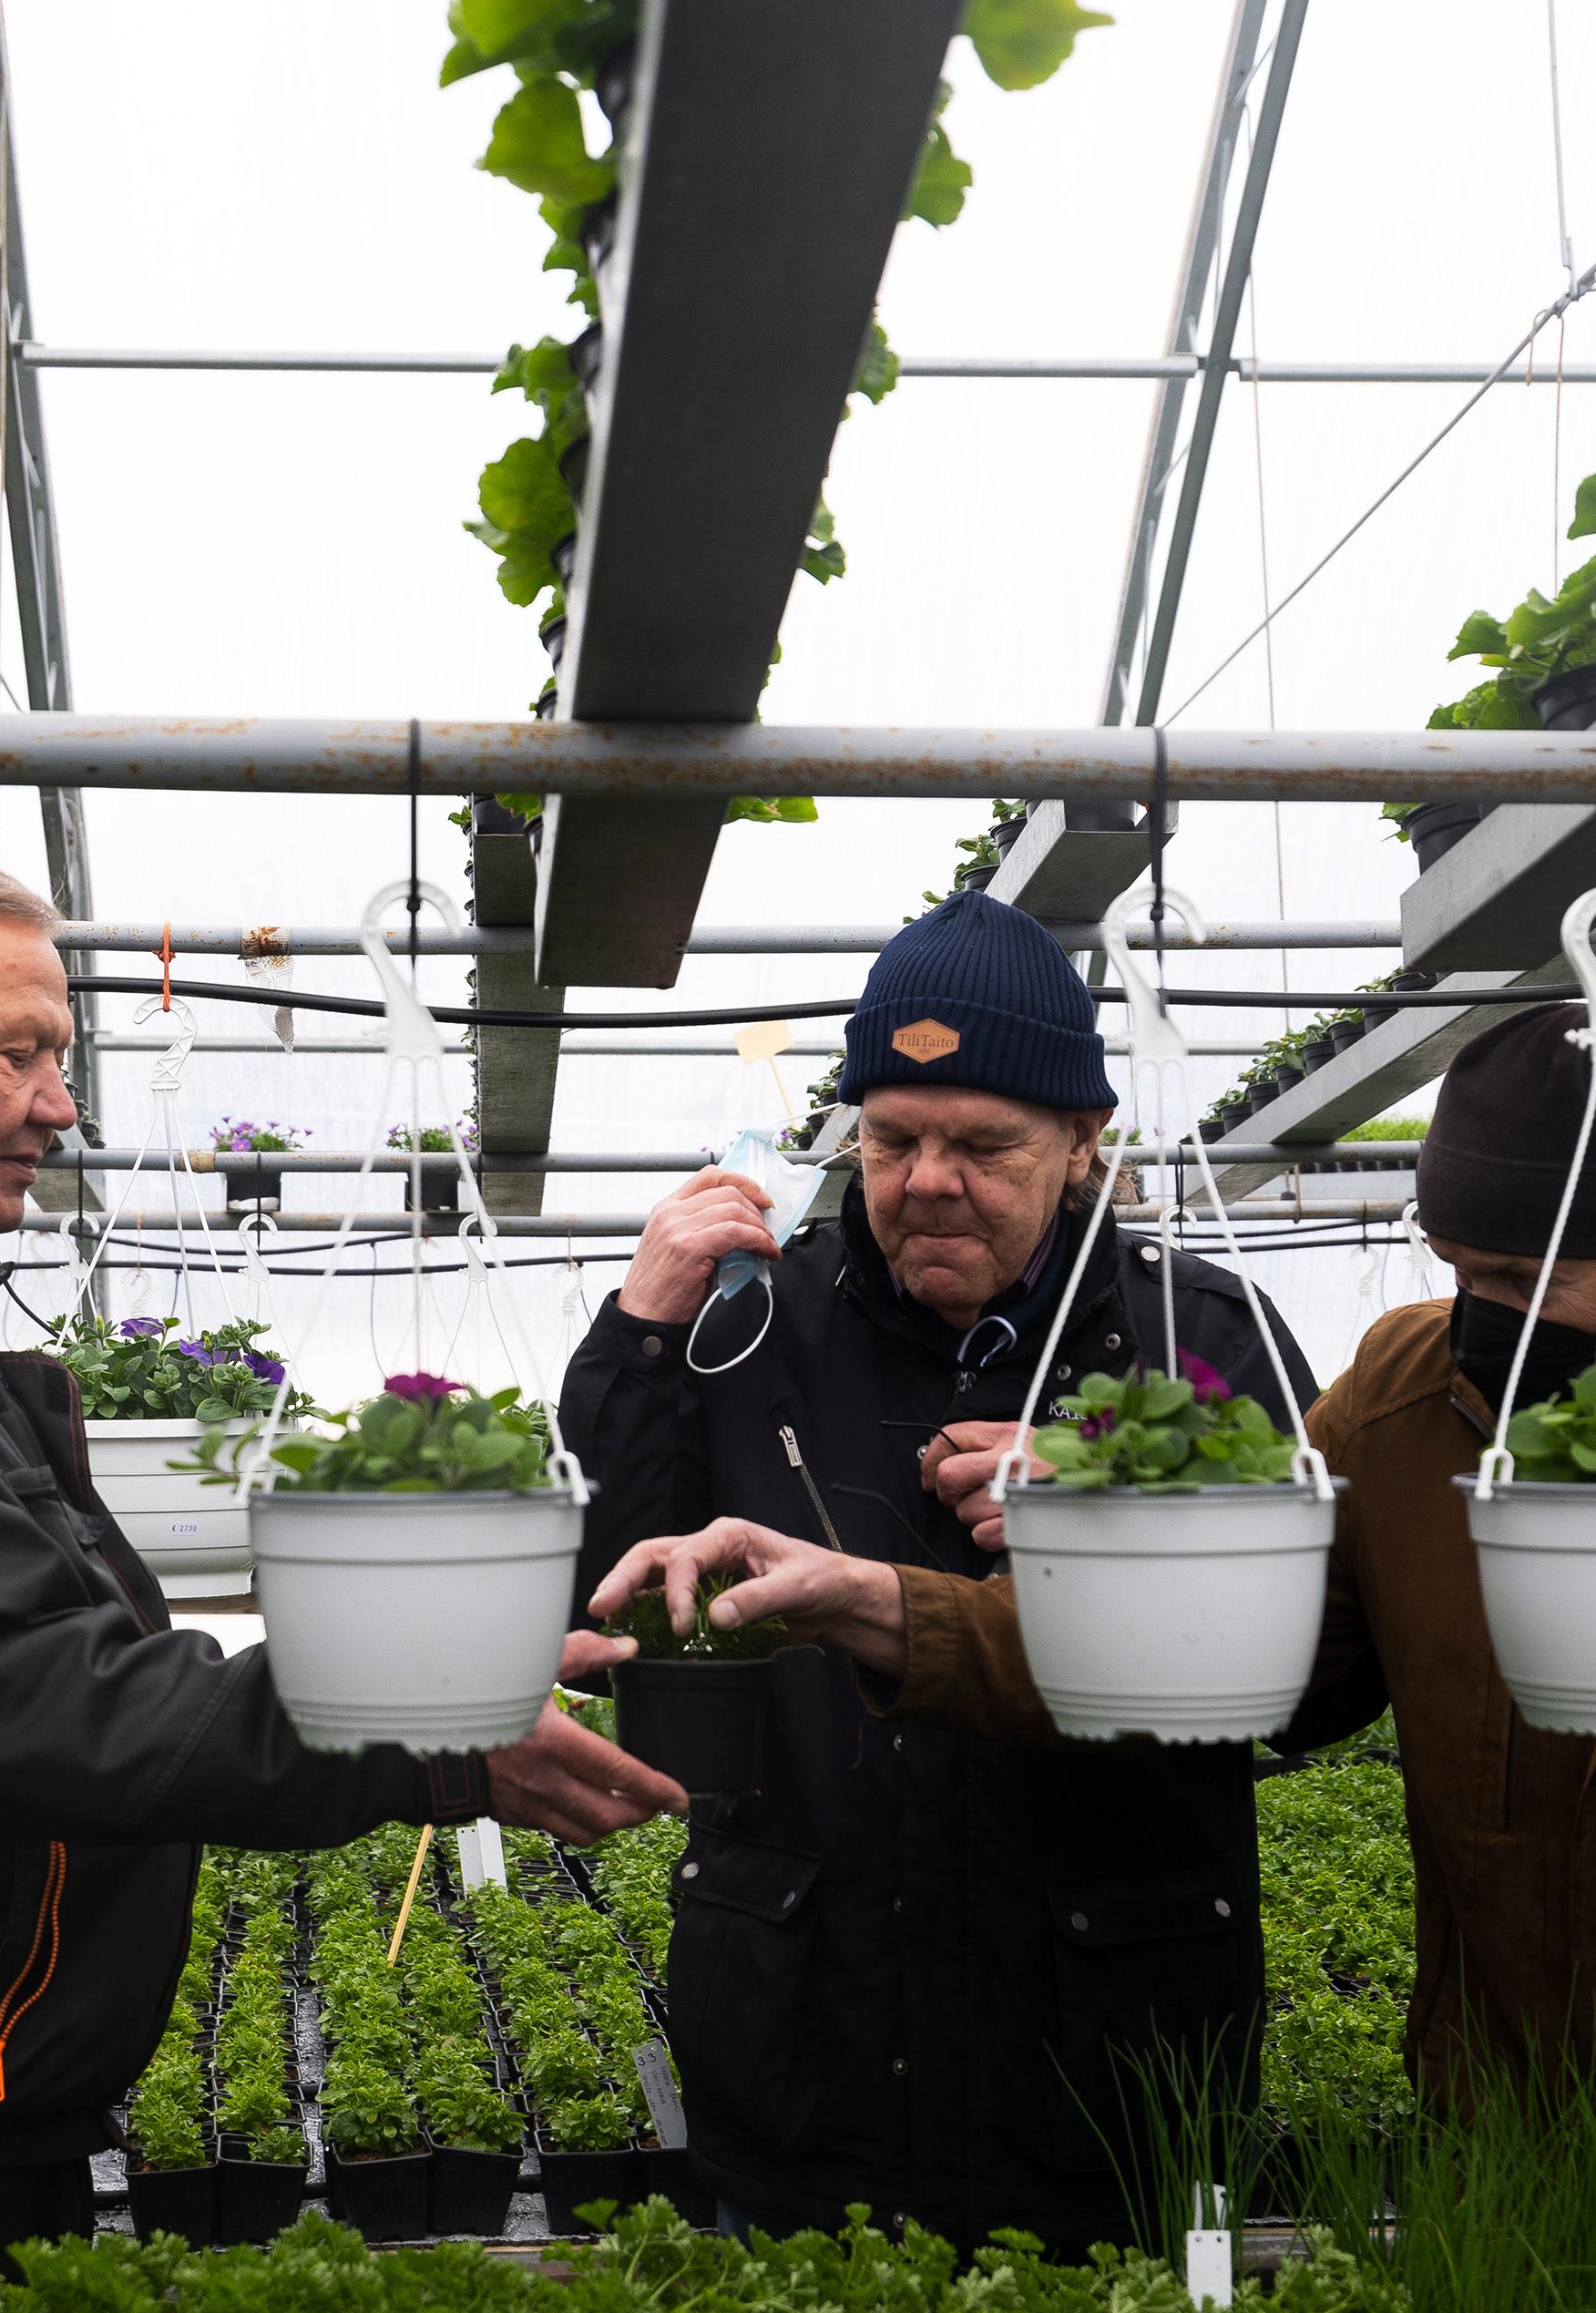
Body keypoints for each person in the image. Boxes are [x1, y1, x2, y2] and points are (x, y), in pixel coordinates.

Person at [598, 1004, 1596, 2126]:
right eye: (1460, 1271)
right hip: (1507, 2180)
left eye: (1524, 1278)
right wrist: (882, 1605)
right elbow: (1217, 1655)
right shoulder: (1406, 1397)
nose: (1481, 1322)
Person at [0, 847, 679, 2265]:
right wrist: (419, 1741)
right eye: (15, 1052)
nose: (57, 1101)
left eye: (61, 1055)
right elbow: (15, 1687)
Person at [562, 888, 1318, 2248]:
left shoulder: (1197, 1339)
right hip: (806, 2032)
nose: (926, 1182)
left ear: (1084, 1140)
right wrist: (635, 1334)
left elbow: (1301, 1669)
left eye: (983, 1144)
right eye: (893, 1137)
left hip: (1108, 2046)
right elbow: (600, 1594)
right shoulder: (749, 1324)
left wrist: (1118, 1501)